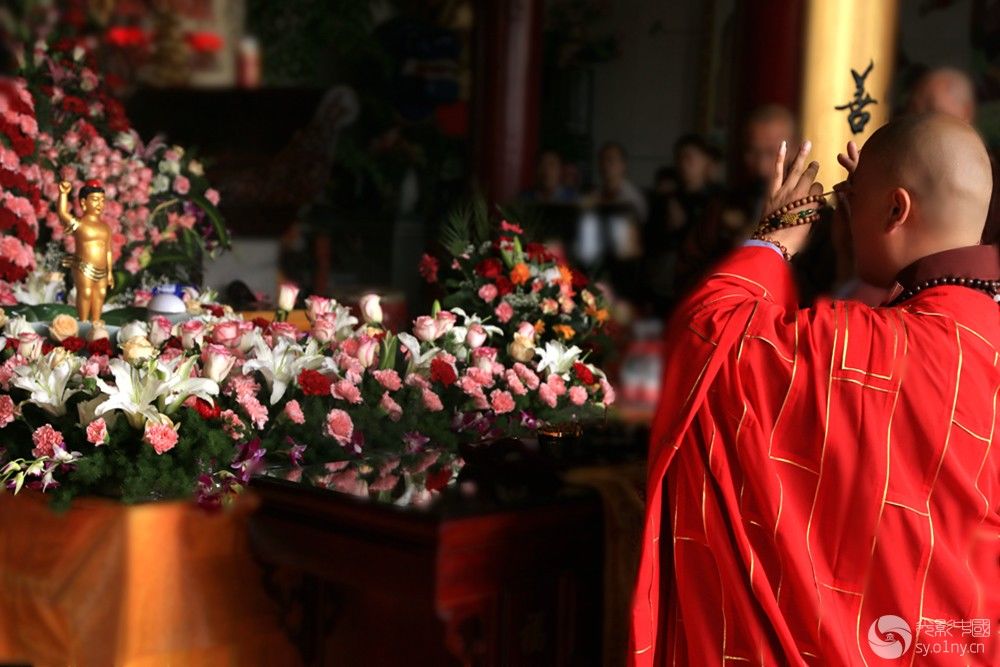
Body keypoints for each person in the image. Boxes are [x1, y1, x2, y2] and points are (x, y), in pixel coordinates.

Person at [630, 114, 999, 665]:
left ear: (898, 209)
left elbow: (712, 334)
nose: (843, 222)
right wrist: (875, 211)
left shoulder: (869, 348)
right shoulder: (976, 331)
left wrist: (775, 236)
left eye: (851, 204)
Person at [907, 66, 1000, 244]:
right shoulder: (906, 168)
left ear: (965, 111)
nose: (920, 122)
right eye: (913, 109)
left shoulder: (993, 176)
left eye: (930, 109)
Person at [57, 179, 114, 323]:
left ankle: (96, 322)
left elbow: (108, 250)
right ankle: (83, 323)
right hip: (83, 265)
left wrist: (110, 273)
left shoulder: (105, 227)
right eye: (95, 200)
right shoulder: (80, 224)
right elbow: (63, 213)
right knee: (86, 293)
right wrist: (63, 194)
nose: (99, 204)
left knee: (100, 293)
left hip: (102, 269)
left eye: (102, 200)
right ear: (83, 202)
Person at [596, 141, 648, 224]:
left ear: (623, 165)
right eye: (602, 160)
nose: (605, 165)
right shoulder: (596, 193)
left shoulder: (632, 197)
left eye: (610, 160)